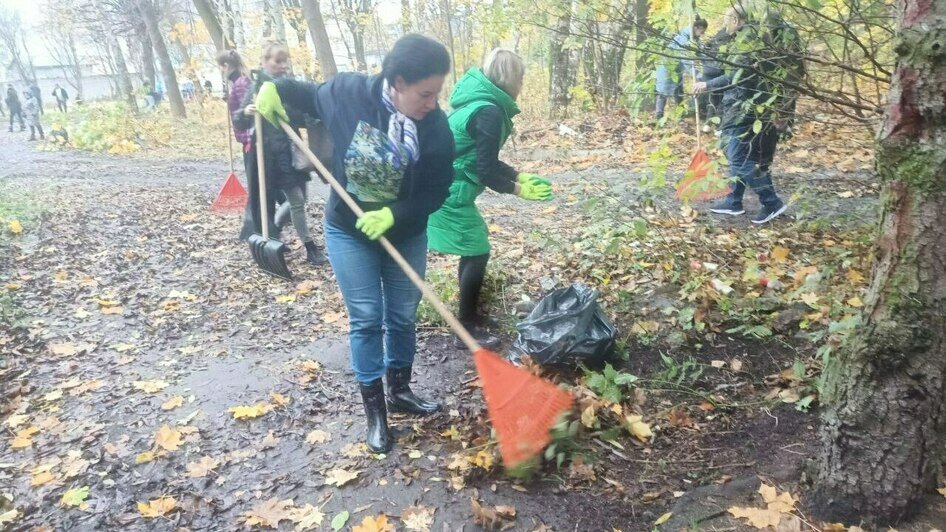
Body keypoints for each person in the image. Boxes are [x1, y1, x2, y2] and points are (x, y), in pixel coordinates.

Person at [256, 34, 454, 453]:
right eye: (424, 93)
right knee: (367, 317)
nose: (432, 102)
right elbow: (304, 92)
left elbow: (437, 189)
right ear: (397, 81)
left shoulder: (435, 127)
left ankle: (400, 392)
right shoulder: (349, 94)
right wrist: (271, 87)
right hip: (349, 230)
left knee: (402, 316)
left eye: (437, 93)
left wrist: (395, 214)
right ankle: (376, 413)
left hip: (406, 232)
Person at [427, 49, 552, 348]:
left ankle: (471, 316)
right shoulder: (489, 111)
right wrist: (517, 190)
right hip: (448, 191)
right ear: (509, 78)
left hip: (448, 186)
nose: (522, 84)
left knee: (476, 248)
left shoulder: (479, 103)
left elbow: (486, 160)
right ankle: (466, 327)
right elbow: (485, 170)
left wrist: (518, 175)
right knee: (477, 249)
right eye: (520, 77)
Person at [234, 42, 326, 266]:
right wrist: (246, 111)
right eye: (278, 61)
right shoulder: (256, 88)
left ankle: (301, 242)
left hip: (288, 153)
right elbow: (238, 119)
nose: (283, 65)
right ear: (265, 62)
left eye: (285, 61)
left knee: (297, 200)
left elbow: (301, 114)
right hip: (263, 156)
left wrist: (316, 118)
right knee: (265, 201)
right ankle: (277, 242)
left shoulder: (287, 87)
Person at [694, 5, 787, 224]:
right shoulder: (755, 37)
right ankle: (734, 200)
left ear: (736, 20)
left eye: (727, 19)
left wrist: (706, 84)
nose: (724, 24)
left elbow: (736, 77)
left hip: (743, 108)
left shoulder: (747, 43)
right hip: (756, 107)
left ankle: (772, 202)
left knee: (738, 159)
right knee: (742, 156)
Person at [655, 18, 708, 121]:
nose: (702, 34)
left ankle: (680, 115)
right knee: (663, 90)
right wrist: (696, 73)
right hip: (668, 67)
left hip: (678, 69)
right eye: (701, 31)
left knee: (679, 90)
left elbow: (698, 51)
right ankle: (659, 115)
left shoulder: (693, 39)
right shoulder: (684, 38)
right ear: (696, 27)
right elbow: (685, 57)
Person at [217, 49, 253, 160]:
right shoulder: (236, 82)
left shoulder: (241, 82)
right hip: (247, 139)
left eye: (220, 67)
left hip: (250, 141)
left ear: (226, 66)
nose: (220, 70)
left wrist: (249, 140)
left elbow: (248, 112)